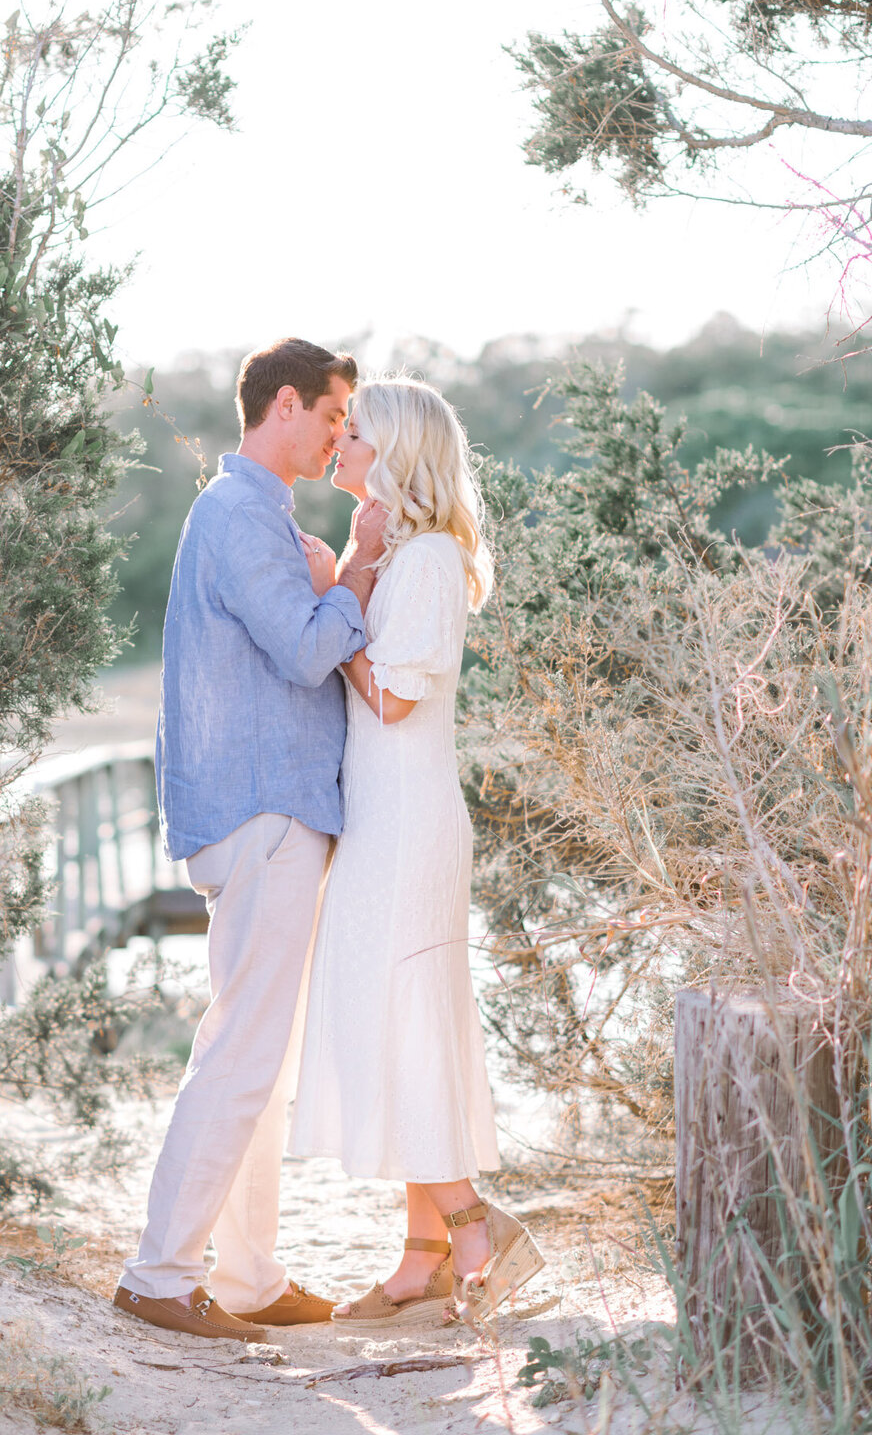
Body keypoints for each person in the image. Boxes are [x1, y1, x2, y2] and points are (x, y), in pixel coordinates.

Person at [114, 337, 388, 1342]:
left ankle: (245, 1273)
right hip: (264, 809)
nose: (338, 435)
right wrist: (360, 561)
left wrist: (332, 566)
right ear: (284, 403)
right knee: (240, 1054)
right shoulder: (239, 516)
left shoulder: (249, 515)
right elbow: (313, 647)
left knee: (256, 1058)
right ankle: (160, 1272)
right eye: (331, 414)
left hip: (263, 808)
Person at [288, 375, 545, 1328]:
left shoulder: (431, 559)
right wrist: (351, 579)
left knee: (401, 1020)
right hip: (383, 819)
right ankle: (421, 1260)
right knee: (397, 1021)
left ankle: (478, 1231)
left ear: (398, 453)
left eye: (357, 433)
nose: (342, 444)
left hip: (407, 827)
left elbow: (392, 701)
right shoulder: (401, 557)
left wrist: (334, 597)